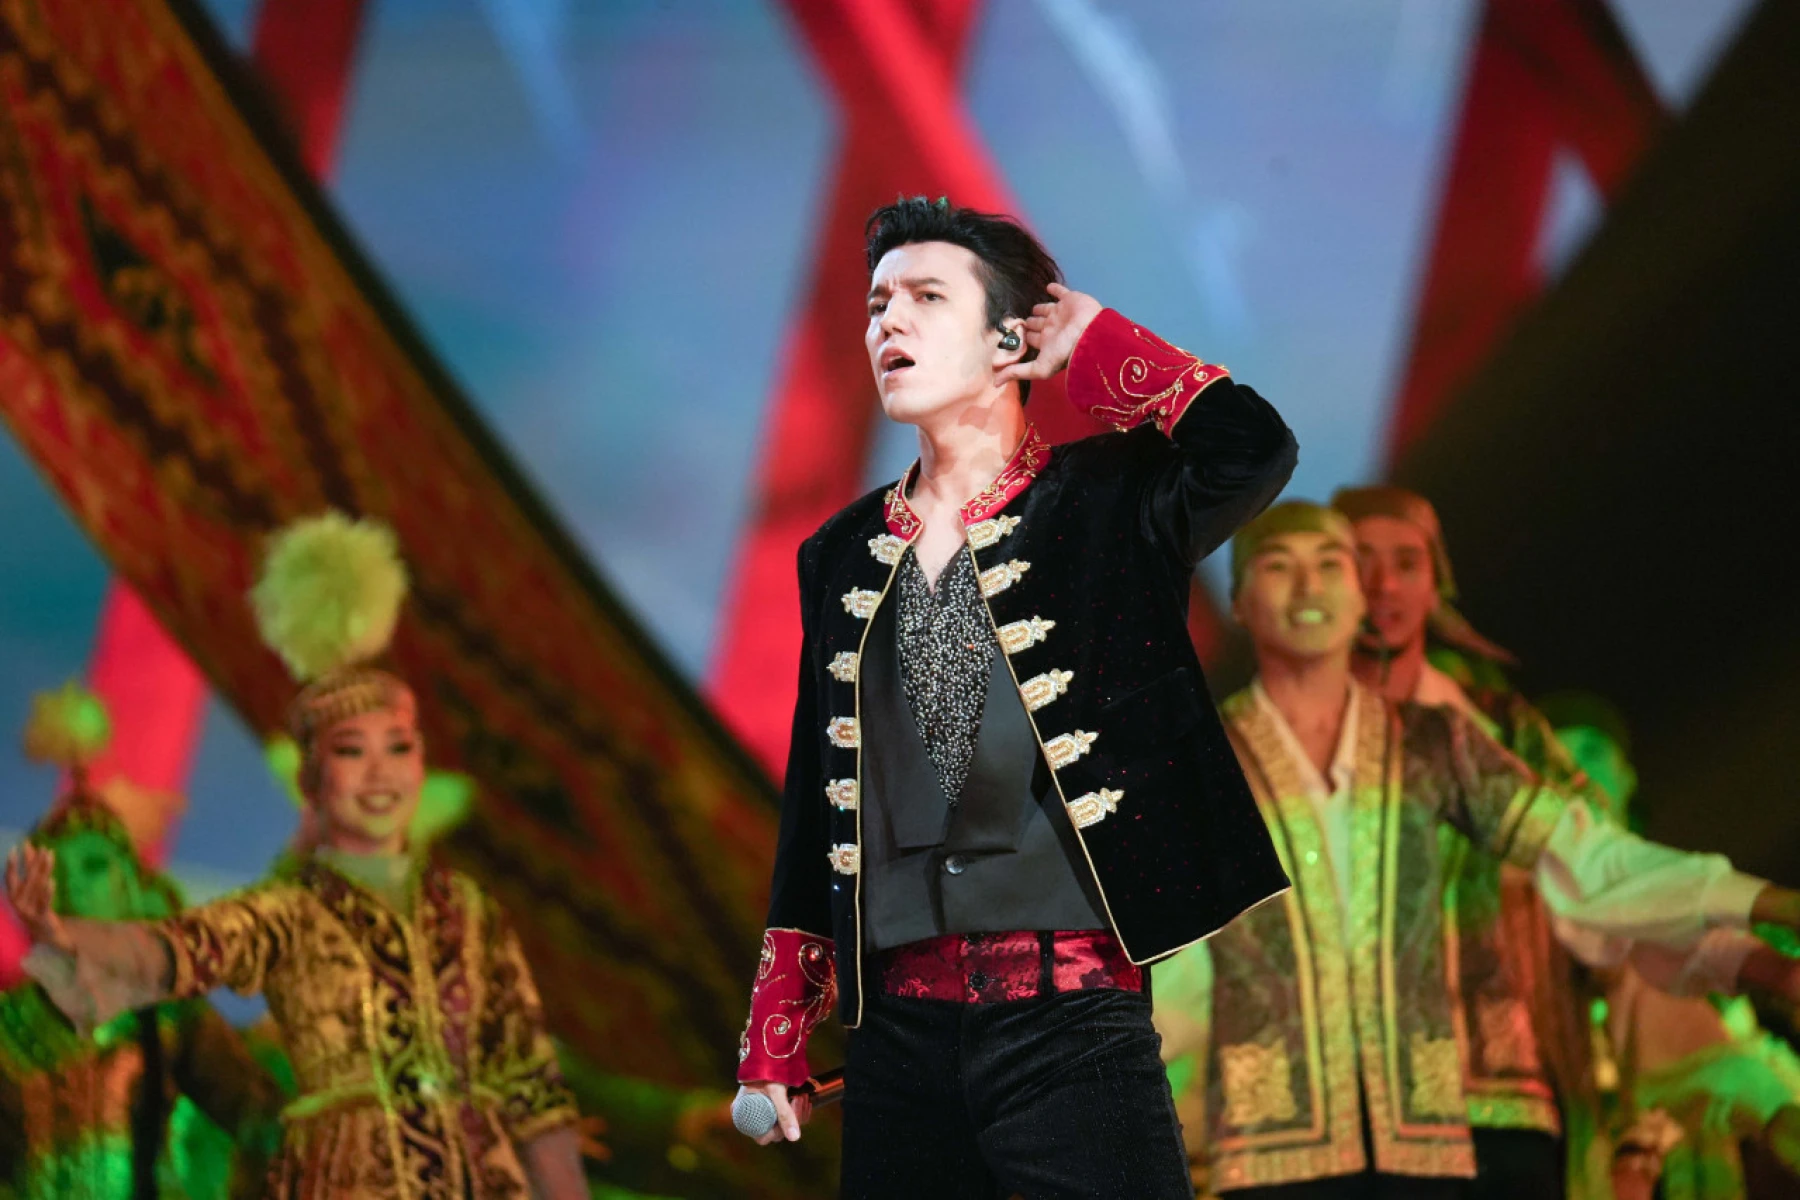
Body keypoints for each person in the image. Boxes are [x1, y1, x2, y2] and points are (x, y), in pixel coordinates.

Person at [733, 196, 1297, 1196]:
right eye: (876, 304)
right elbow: (819, 799)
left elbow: (1253, 451)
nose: (888, 322)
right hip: (899, 1039)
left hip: (1069, 1021)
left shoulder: (1111, 500)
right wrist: (779, 1028)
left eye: (925, 297)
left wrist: (1101, 341)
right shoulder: (841, 551)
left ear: (1009, 341)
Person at [1155, 501, 1800, 1199]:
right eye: (1280, 567)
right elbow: (1179, 961)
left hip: (1463, 1124)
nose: (1314, 587)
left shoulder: (1454, 741)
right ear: (1242, 601)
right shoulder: (1197, 766)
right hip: (1278, 1140)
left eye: (1334, 566)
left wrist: (1764, 913)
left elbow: (1597, 869)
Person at [5, 514, 586, 1200]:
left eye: (397, 750)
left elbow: (530, 1084)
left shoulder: (465, 915)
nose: (379, 775)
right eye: (352, 753)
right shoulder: (280, 916)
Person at [0, 681, 284, 1200]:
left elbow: (263, 1126)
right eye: (56, 871)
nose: (70, 886)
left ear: (133, 889)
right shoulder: (9, 1024)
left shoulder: (170, 1016)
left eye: (97, 867)